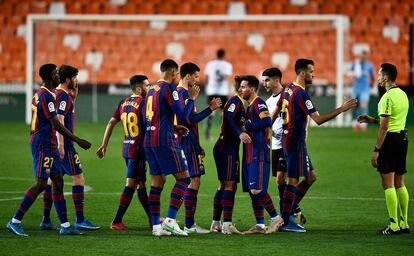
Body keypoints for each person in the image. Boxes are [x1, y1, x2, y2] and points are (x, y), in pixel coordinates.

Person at [272, 59, 357, 232]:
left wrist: (269, 130)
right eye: (311, 71)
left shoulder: (287, 88)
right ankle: (286, 221)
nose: (314, 74)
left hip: (290, 140)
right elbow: (317, 119)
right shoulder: (301, 93)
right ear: (303, 73)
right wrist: (340, 109)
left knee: (311, 177)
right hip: (295, 142)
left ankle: (286, 212)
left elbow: (276, 112)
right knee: (293, 180)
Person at [6, 64, 91, 236]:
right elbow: (56, 123)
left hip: (49, 143)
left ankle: (65, 225)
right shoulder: (46, 96)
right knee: (41, 183)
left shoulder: (46, 94)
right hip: (43, 143)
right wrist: (77, 140)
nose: (57, 76)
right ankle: (15, 220)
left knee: (58, 180)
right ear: (48, 76)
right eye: (55, 73)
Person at [39, 65, 100, 231]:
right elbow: (59, 118)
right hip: (65, 145)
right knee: (78, 178)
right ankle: (79, 219)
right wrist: (61, 145)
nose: (76, 80)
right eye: (75, 77)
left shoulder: (60, 94)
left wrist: (74, 99)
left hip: (58, 144)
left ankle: (45, 219)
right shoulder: (63, 96)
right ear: (68, 80)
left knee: (52, 180)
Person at [144, 59, 200, 237]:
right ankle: (170, 220)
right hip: (164, 140)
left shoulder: (151, 89)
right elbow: (182, 115)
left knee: (157, 183)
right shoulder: (169, 89)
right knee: (184, 179)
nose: (178, 78)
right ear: (173, 73)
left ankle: (156, 227)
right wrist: (191, 99)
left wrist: (174, 127)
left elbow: (154, 117)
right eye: (177, 74)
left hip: (149, 140)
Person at [357, 63, 410, 235]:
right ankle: (404, 222)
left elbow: (385, 127)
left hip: (390, 141)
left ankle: (393, 225)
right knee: (400, 182)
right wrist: (372, 119)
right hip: (403, 139)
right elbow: (392, 121)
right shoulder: (402, 94)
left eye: (380, 75)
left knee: (388, 184)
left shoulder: (386, 98)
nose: (378, 78)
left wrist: (376, 149)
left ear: (386, 77)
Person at [96, 75, 151, 231]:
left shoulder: (123, 103)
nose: (149, 88)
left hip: (127, 149)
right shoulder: (143, 104)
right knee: (132, 184)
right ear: (139, 88)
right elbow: (149, 125)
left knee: (141, 184)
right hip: (138, 150)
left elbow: (111, 122)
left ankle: (152, 218)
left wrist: (104, 145)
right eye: (147, 85)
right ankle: (116, 221)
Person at [176, 62, 222, 234]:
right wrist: (210, 108)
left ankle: (185, 222)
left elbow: (190, 118)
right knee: (193, 181)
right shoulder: (183, 93)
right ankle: (189, 224)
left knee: (191, 180)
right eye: (195, 76)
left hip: (189, 142)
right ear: (187, 76)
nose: (197, 79)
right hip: (187, 142)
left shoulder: (181, 93)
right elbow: (188, 120)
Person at [240, 75, 284, 234]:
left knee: (257, 190)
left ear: (252, 89)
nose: (241, 89)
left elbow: (267, 122)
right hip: (250, 153)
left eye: (244, 87)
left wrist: (249, 125)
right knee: (253, 192)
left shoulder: (259, 103)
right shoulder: (249, 106)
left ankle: (275, 217)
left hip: (259, 153)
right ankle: (259, 225)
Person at [262, 67, 305, 225]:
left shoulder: (289, 95)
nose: (264, 83)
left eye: (267, 80)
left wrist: (305, 130)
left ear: (275, 80)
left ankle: (288, 214)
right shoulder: (267, 102)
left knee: (285, 178)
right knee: (279, 181)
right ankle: (293, 210)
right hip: (276, 145)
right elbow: (268, 124)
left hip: (288, 143)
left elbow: (302, 114)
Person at [211, 76, 248, 235]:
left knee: (223, 185)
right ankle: (227, 225)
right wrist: (240, 133)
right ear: (239, 88)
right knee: (230, 185)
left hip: (225, 146)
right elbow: (227, 118)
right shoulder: (235, 101)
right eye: (244, 86)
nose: (247, 89)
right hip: (227, 148)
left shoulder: (239, 102)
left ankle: (216, 223)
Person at [204, 49, 233, 141]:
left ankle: (207, 131)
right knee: (224, 112)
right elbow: (228, 78)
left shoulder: (210, 64)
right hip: (223, 91)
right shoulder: (227, 65)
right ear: (224, 55)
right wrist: (230, 91)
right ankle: (222, 133)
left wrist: (207, 89)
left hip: (211, 90)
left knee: (211, 111)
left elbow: (207, 78)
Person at [351, 50, 375, 132]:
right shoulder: (355, 64)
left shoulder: (369, 65)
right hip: (356, 88)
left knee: (363, 106)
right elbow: (351, 73)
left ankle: (364, 124)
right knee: (354, 106)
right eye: (362, 55)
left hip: (365, 88)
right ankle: (355, 122)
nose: (363, 57)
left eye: (365, 56)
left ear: (367, 56)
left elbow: (372, 76)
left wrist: (372, 84)